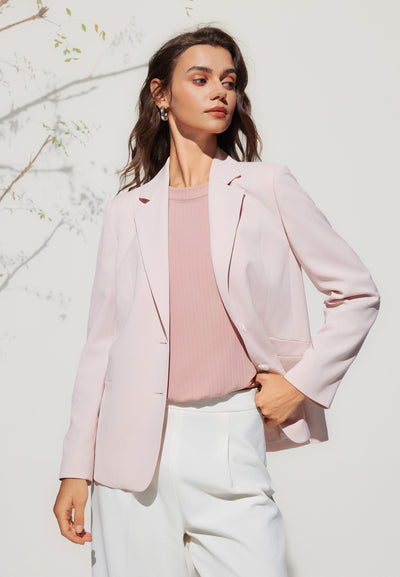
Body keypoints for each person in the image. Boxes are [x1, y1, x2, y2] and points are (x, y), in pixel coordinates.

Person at [53, 25, 380, 577]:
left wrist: (301, 383)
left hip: (229, 437)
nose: (219, 93)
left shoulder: (267, 187)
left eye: (228, 82)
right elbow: (100, 346)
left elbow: (357, 292)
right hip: (129, 450)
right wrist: (74, 467)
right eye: (200, 79)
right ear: (161, 95)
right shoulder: (127, 211)